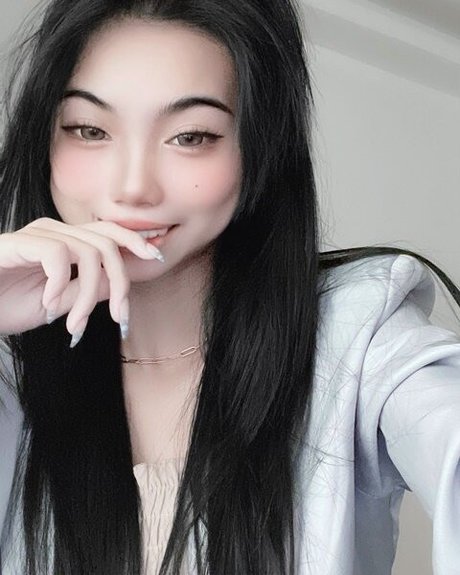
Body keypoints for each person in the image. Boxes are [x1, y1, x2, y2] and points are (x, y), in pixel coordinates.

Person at [0, 0, 459, 573]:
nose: (133, 186)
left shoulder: (358, 340)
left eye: (191, 136)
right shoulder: (12, 365)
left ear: (258, 150)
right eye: (90, 130)